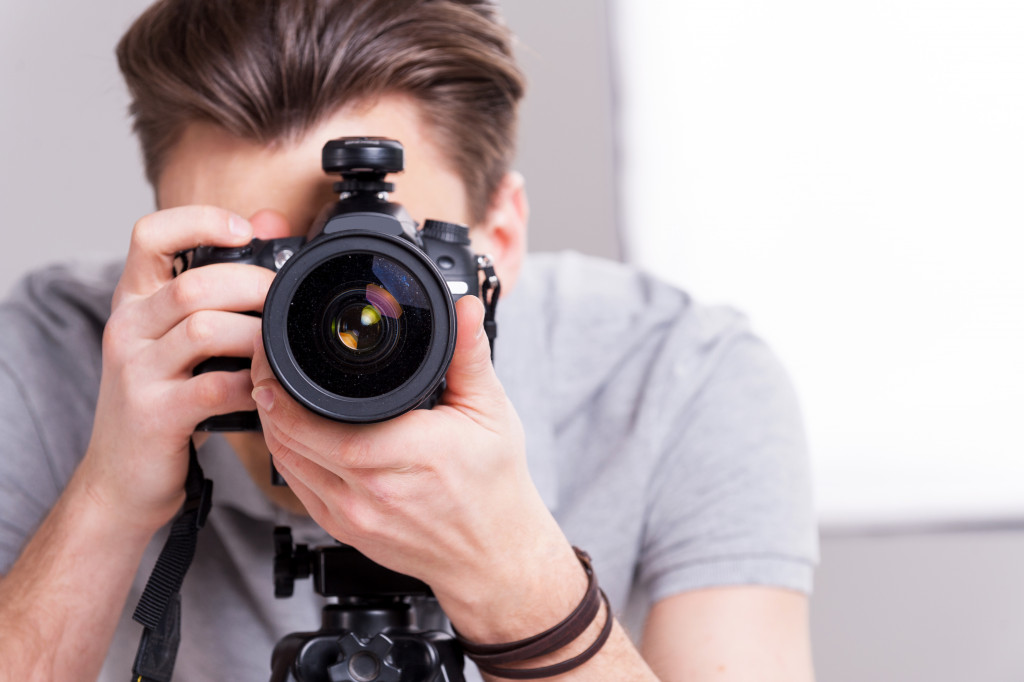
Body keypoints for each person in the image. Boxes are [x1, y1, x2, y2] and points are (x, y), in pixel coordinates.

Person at [0, 1, 818, 680]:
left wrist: (517, 578)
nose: (320, 317)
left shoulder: (676, 373)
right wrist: (108, 499)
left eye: (384, 268)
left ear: (499, 238)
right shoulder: (53, 358)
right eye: (260, 265)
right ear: (173, 247)